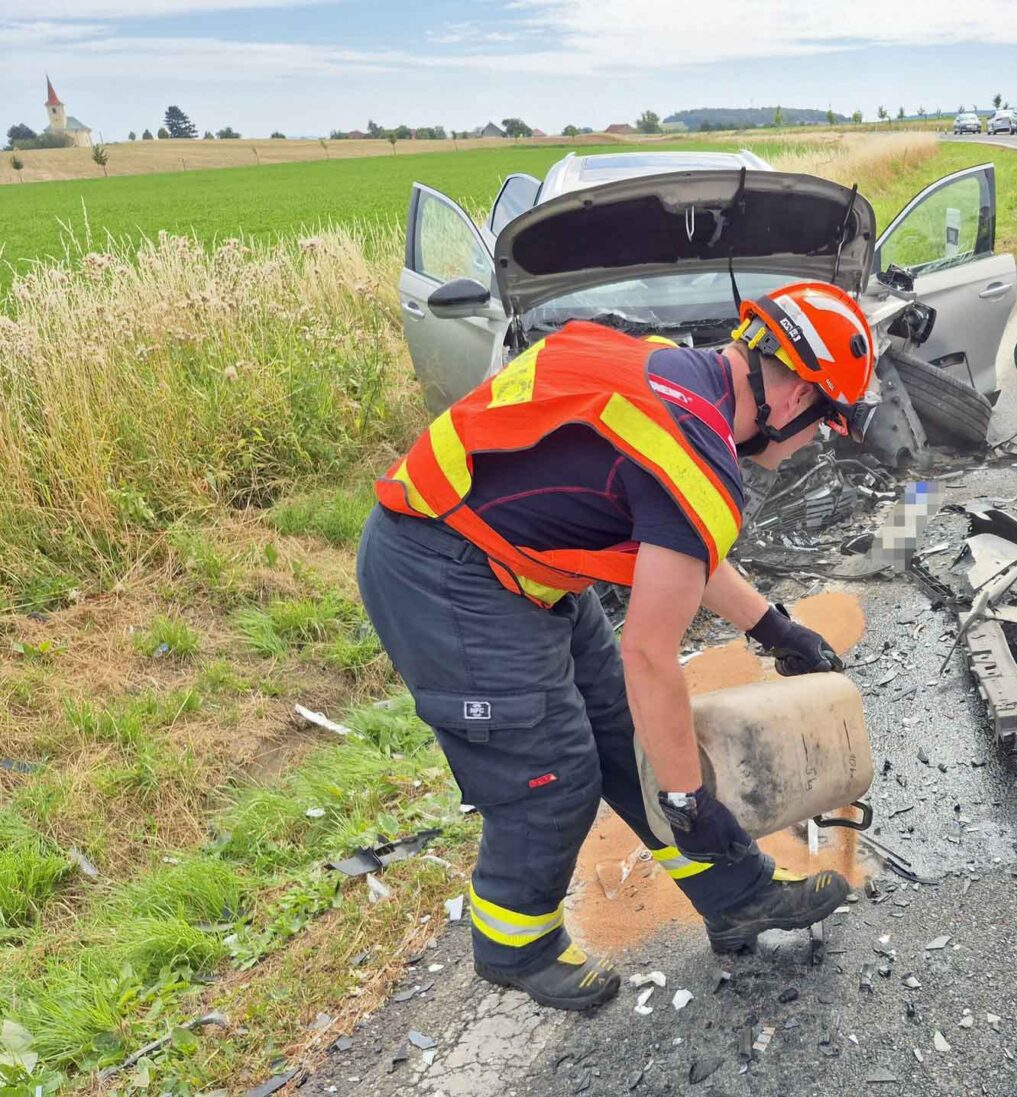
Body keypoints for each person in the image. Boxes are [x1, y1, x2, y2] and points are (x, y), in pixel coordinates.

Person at [358, 281, 878, 1011]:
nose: (806, 445)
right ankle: (516, 944)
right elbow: (649, 653)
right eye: (823, 425)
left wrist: (775, 629)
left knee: (632, 740)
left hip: (520, 562)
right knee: (555, 776)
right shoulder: (694, 448)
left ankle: (737, 896)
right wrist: (687, 798)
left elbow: (681, 546)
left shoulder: (674, 372)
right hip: (441, 568)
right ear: (795, 398)